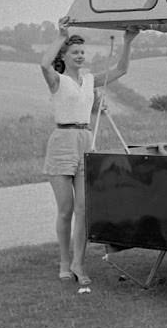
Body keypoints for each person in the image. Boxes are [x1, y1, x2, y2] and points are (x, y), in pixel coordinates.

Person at [40, 16, 139, 285]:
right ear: (65, 55)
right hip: (62, 141)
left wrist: (127, 41)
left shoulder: (89, 81)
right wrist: (61, 35)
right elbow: (43, 63)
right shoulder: (57, 80)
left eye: (83, 52)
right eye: (75, 52)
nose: (80, 56)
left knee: (84, 208)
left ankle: (78, 264)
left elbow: (121, 69)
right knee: (65, 209)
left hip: (85, 141)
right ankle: (63, 261)